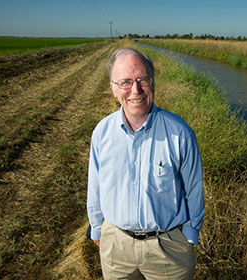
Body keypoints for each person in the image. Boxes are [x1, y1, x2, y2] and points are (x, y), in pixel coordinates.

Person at [87, 47, 205, 280]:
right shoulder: (102, 132)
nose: (136, 90)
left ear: (153, 82)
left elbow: (194, 189)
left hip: (168, 250)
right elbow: (95, 186)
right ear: (113, 88)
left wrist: (189, 235)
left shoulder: (180, 132)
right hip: (116, 248)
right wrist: (99, 228)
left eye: (143, 80)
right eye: (126, 82)